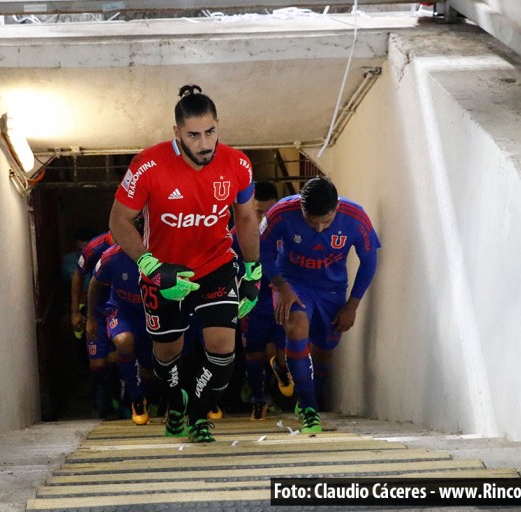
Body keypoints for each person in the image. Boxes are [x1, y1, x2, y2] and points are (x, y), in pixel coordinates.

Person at [109, 84, 261, 443]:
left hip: (216, 265)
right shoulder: (147, 165)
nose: (204, 143)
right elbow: (118, 220)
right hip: (164, 273)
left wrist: (254, 271)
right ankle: (176, 402)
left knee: (225, 348)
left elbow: (246, 219)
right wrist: (151, 266)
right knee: (167, 355)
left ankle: (198, 415)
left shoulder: (238, 164)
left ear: (218, 125)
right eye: (193, 135)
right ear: (176, 132)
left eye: (210, 131)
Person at [260, 176, 380, 433]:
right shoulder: (280, 213)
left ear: (336, 206)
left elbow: (369, 261)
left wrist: (353, 305)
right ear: (301, 209)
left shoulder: (355, 217)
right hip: (292, 284)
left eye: (326, 222)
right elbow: (262, 250)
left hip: (332, 290)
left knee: (324, 351)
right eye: (311, 222)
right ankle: (309, 408)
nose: (318, 229)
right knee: (296, 328)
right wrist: (281, 287)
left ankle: (313, 397)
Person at [88, 220, 155, 425]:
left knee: (148, 370)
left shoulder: (160, 256)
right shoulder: (111, 257)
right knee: (123, 341)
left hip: (150, 314)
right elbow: (94, 284)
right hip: (121, 311)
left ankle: (149, 398)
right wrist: (90, 318)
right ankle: (135, 399)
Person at [238, 180, 291, 420]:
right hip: (253, 304)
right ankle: (258, 400)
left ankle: (281, 372)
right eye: (259, 212)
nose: (265, 218)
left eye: (270, 212)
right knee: (254, 354)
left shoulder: (288, 233)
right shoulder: (235, 236)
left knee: (286, 353)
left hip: (282, 301)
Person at [73, 230, 118, 417]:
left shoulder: (138, 244)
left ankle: (120, 403)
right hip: (97, 311)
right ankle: (102, 404)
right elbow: (78, 275)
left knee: (118, 359)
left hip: (121, 310)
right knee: (98, 365)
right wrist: (75, 312)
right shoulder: (96, 246)